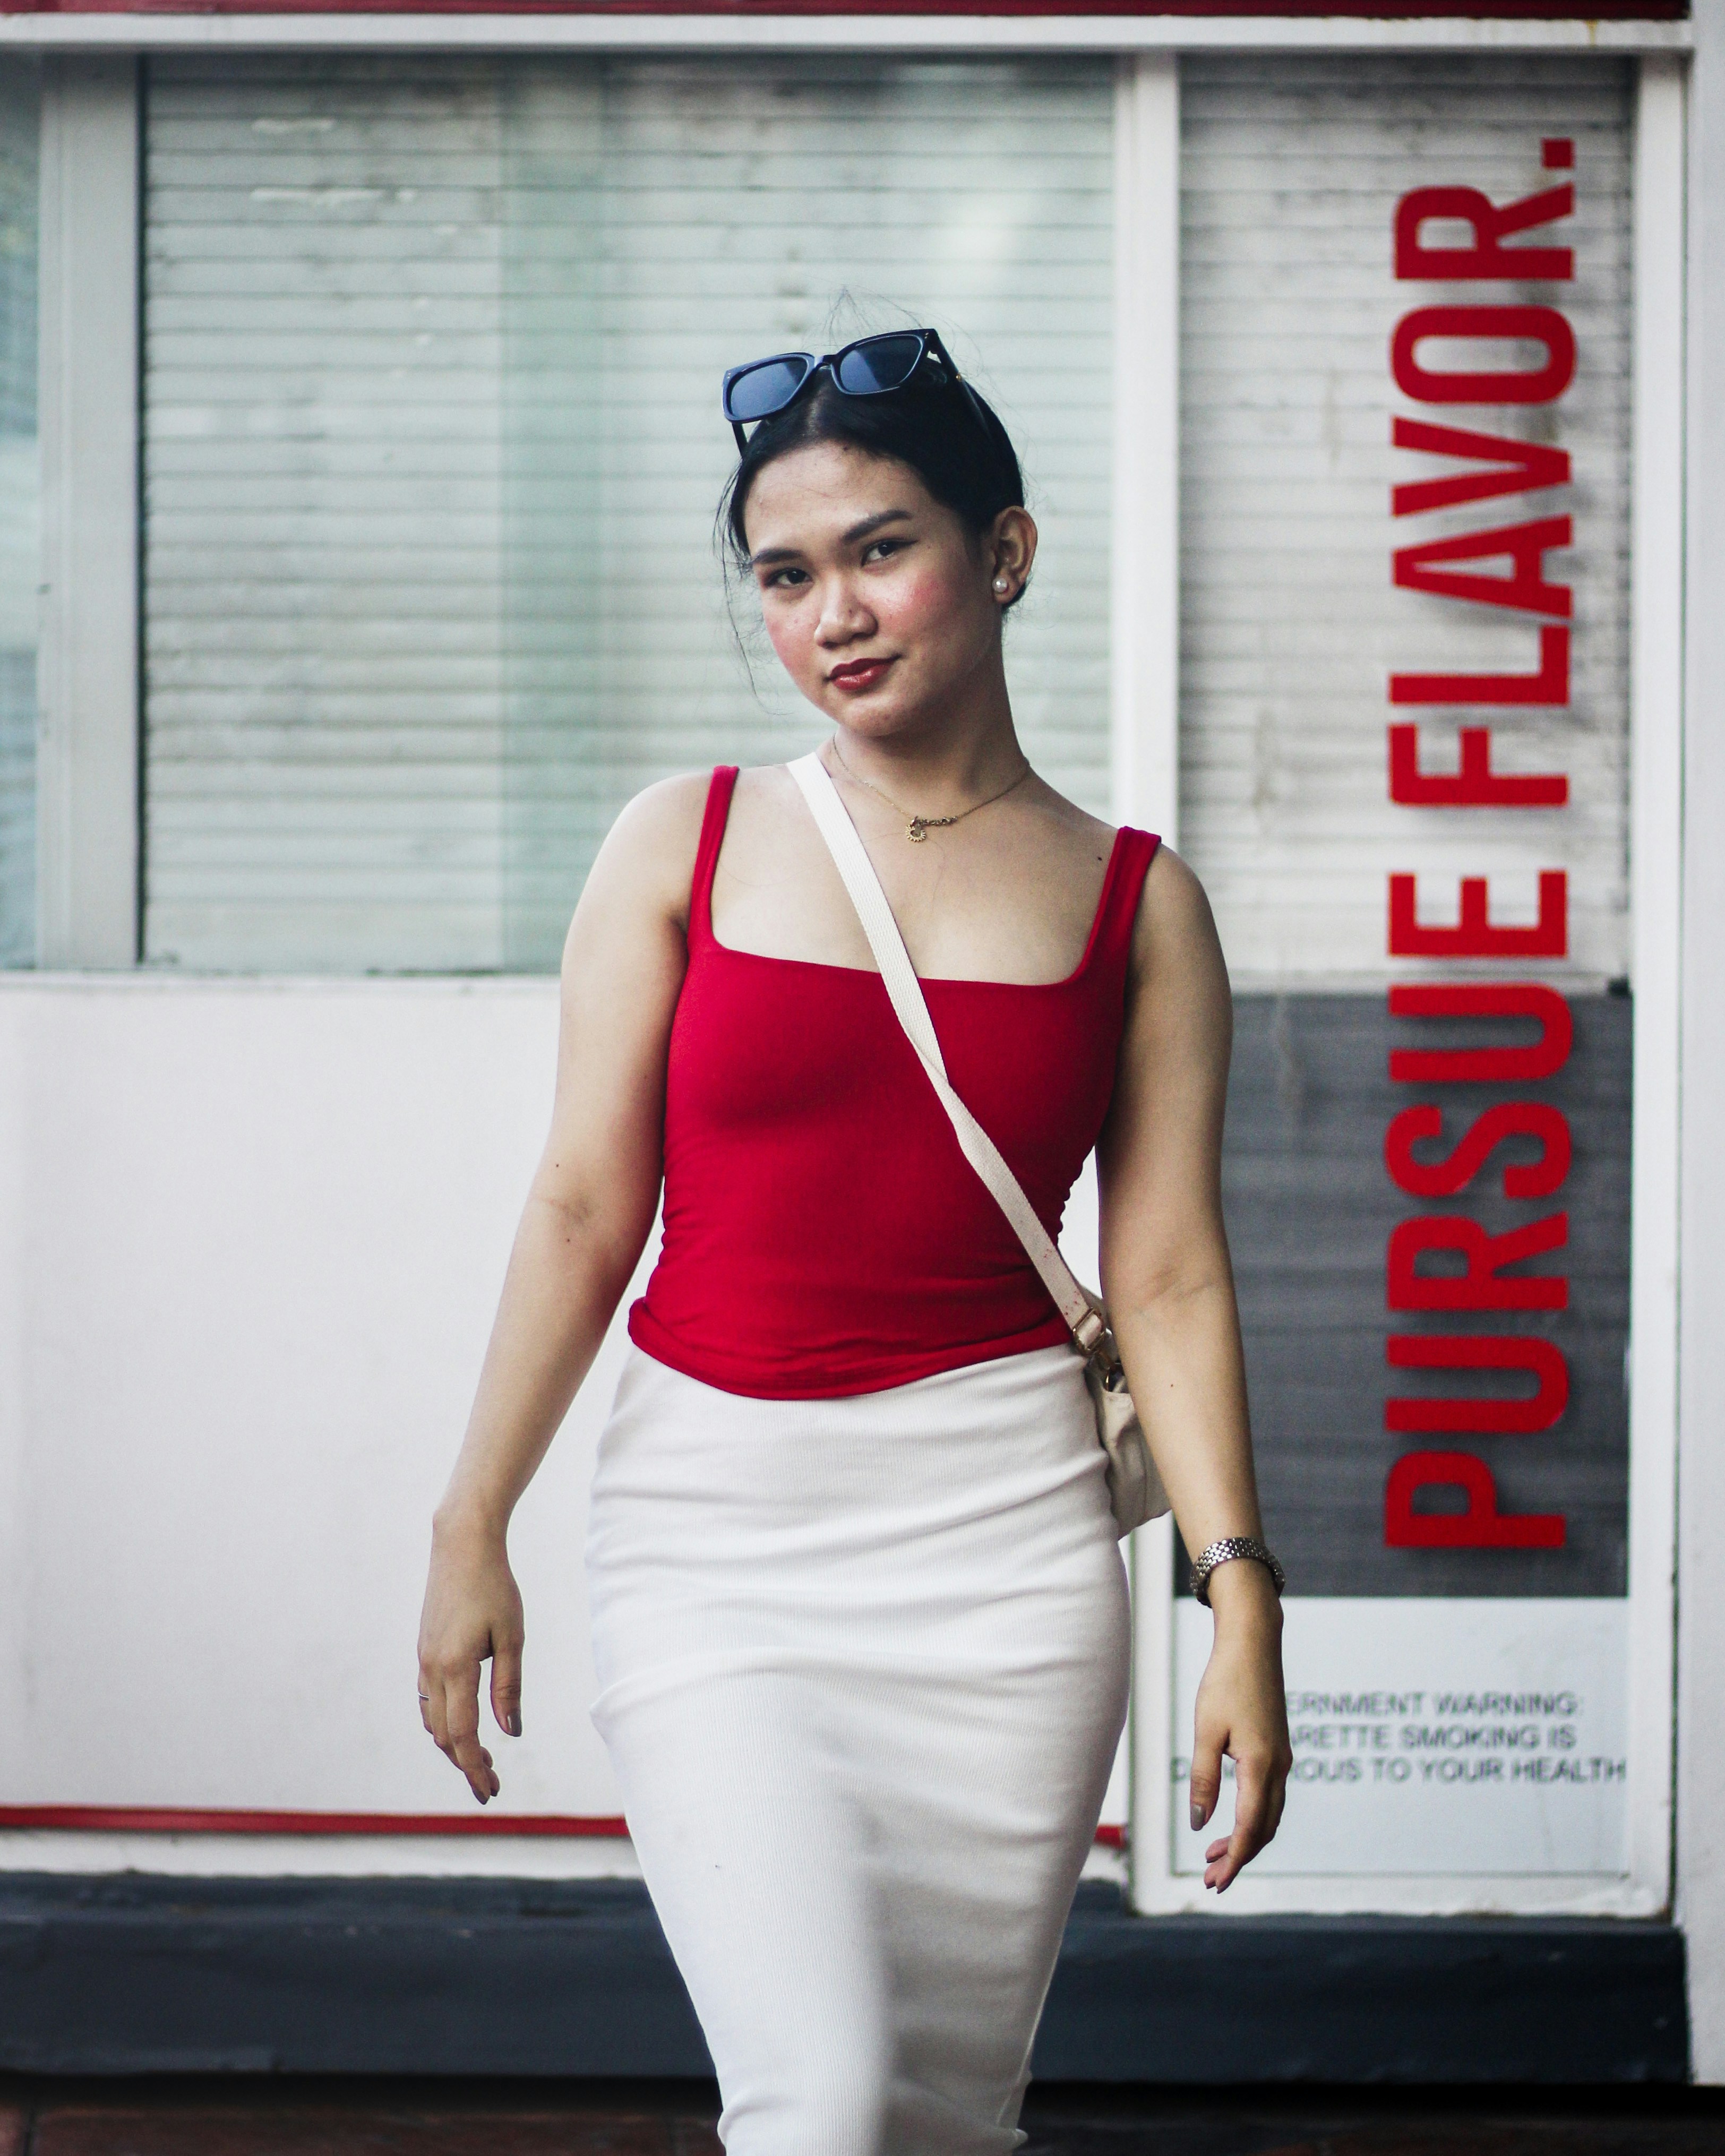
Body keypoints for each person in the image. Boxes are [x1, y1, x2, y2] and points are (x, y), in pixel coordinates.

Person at [417, 325, 1292, 2154]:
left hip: (1009, 1561)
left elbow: (1169, 1278)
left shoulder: (1139, 901)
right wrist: (469, 1520)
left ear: (1006, 549)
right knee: (815, 2099)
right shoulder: (688, 839)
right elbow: (586, 1204)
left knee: (943, 2116)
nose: (833, 612)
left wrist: (1237, 1602)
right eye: (785, 575)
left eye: (881, 548)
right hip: (716, 1539)